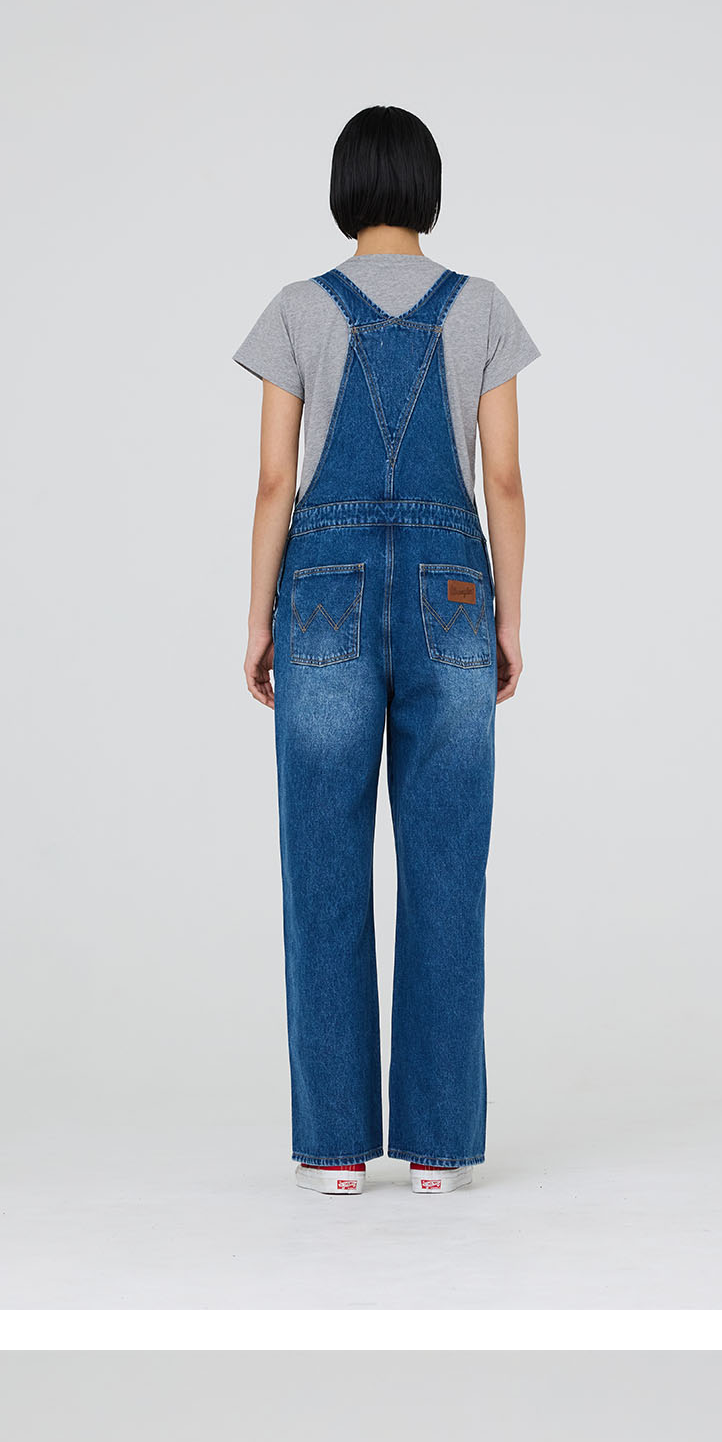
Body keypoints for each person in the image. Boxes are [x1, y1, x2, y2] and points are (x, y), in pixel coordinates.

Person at [238, 95, 536, 1183]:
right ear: (426, 189)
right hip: (452, 592)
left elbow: (277, 481)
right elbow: (503, 480)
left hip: (321, 589)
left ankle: (336, 1153)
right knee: (447, 867)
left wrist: (259, 617)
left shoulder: (295, 309)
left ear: (345, 190)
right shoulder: (483, 307)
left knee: (321, 867)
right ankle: (438, 1152)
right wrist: (508, 617)